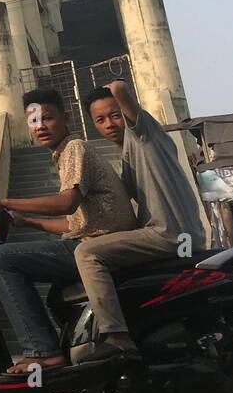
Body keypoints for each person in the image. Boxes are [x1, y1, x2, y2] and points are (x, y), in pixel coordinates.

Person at [0, 88, 136, 374]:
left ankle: (42, 351)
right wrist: (28, 223)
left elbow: (67, 204)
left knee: (1, 258)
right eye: (33, 121)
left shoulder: (74, 148)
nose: (41, 126)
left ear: (66, 119)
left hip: (98, 244)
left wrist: (2, 201)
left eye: (48, 118)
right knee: (55, 292)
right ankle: (73, 348)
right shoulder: (64, 153)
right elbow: (75, 222)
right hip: (93, 237)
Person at [73, 80, 209, 361]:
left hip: (168, 233)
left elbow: (121, 89)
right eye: (100, 120)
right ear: (93, 126)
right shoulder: (128, 154)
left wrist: (114, 88)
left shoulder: (143, 133)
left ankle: (117, 336)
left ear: (126, 112)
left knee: (86, 254)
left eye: (115, 114)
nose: (110, 123)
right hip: (178, 234)